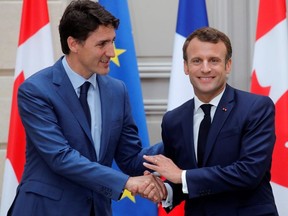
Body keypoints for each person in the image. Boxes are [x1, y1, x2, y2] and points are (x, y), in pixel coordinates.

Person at [7, 1, 166, 215]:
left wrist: (179, 136)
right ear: (73, 44)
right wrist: (126, 183)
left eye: (112, 41)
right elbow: (60, 157)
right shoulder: (36, 90)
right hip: (45, 210)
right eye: (102, 44)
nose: (111, 52)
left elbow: (131, 159)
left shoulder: (117, 91)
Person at [143, 27, 278, 215]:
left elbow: (249, 172)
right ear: (185, 66)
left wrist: (181, 176)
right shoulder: (173, 120)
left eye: (214, 60)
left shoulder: (256, 107)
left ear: (228, 65)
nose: (205, 68)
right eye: (197, 61)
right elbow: (184, 180)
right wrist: (165, 191)